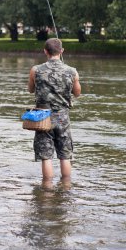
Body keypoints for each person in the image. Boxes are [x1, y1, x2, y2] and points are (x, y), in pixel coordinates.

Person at [28, 38, 81, 180]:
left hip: (43, 117)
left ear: (45, 51)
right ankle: (66, 187)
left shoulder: (35, 70)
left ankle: (47, 190)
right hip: (63, 117)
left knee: (46, 156)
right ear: (62, 51)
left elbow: (30, 89)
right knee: (65, 155)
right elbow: (77, 93)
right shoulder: (72, 71)